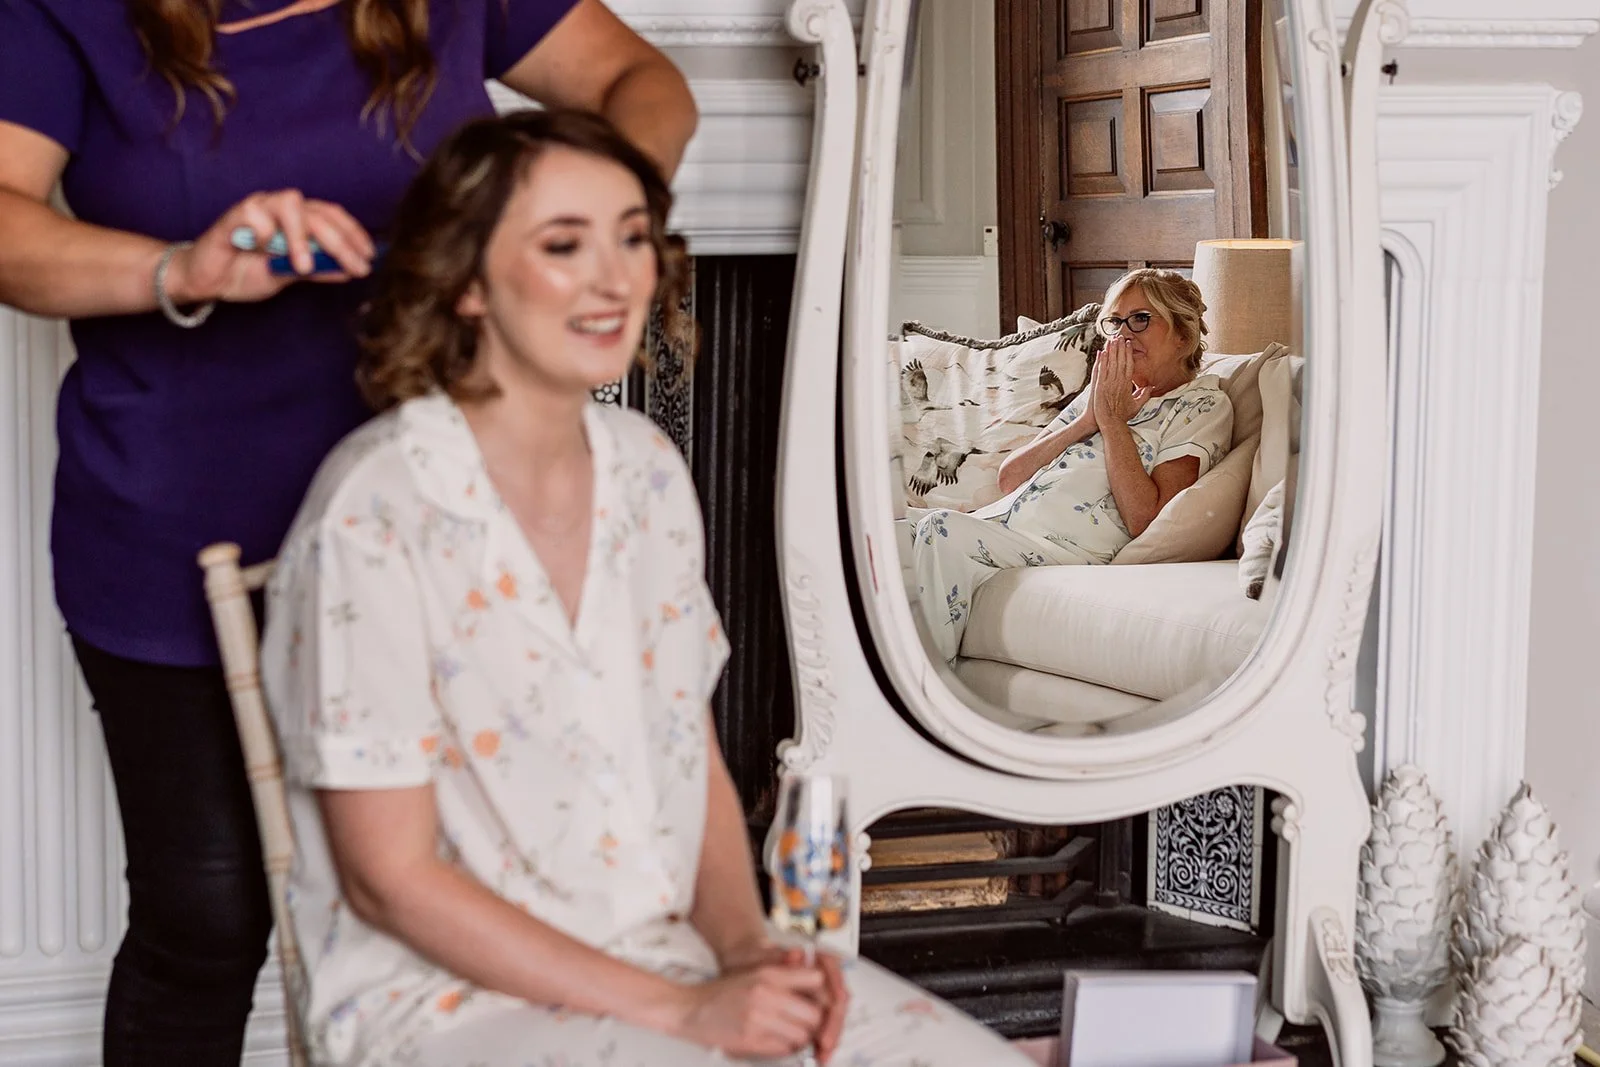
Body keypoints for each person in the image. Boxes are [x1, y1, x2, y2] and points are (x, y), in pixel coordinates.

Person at [258, 108, 1033, 1067]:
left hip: (664, 952)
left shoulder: (647, 472)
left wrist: (752, 953)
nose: (615, 276)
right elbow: (391, 882)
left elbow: (688, 750)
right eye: (562, 244)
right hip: (444, 999)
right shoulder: (374, 509)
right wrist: (687, 1013)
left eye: (632, 236)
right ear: (463, 282)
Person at [0, 2, 696, 1062]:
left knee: (501, 878)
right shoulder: (67, 13)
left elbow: (639, 83)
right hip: (178, 524)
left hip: (441, 524)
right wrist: (179, 268)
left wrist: (574, 222)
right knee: (206, 918)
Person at [900, 270, 1234, 662]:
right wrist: (1086, 421)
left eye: (1141, 319)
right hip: (1004, 526)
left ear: (1183, 335)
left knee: (940, 530)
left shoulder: (1202, 405)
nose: (1124, 334)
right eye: (1114, 322)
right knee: (879, 533)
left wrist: (1112, 424)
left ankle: (923, 697)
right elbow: (1010, 478)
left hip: (1067, 549)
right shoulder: (1103, 395)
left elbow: (1145, 519)